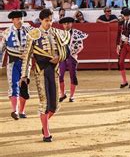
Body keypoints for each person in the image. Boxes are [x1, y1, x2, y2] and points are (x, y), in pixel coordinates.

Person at [21, 9, 71, 142]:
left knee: (54, 106)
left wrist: (59, 57)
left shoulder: (56, 33)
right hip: (41, 71)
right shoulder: (33, 34)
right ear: (41, 20)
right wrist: (24, 76)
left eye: (51, 20)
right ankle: (46, 133)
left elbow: (65, 49)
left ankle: (44, 124)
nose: (49, 23)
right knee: (45, 103)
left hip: (54, 70)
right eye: (46, 21)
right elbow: (26, 56)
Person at [1, 11, 33, 120]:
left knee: (24, 86)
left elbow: (36, 46)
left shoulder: (29, 31)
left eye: (21, 18)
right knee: (13, 85)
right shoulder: (7, 32)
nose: (19, 21)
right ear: (12, 20)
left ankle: (22, 111)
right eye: (17, 19)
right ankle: (14, 110)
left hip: (25, 62)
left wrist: (31, 54)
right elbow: (1, 49)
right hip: (12, 62)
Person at [58, 17, 88, 103]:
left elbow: (80, 46)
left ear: (71, 24)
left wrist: (73, 53)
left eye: (68, 23)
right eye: (65, 24)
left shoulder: (76, 33)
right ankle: (62, 94)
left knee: (73, 76)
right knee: (60, 76)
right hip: (63, 57)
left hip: (72, 57)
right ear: (63, 25)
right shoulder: (60, 34)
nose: (66, 25)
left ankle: (71, 96)